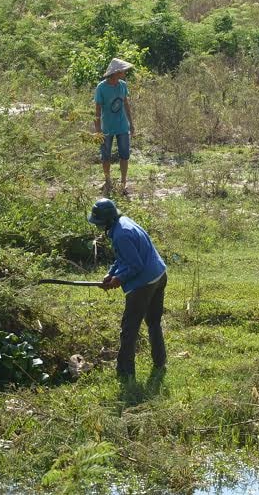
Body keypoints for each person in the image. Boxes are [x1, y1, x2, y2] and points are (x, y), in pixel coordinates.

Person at [88, 198, 167, 382]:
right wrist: (111, 274)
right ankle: (160, 362)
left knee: (129, 329)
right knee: (154, 322)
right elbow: (123, 258)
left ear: (106, 221)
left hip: (145, 282)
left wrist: (119, 279)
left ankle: (125, 373)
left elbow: (135, 265)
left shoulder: (121, 234)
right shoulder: (123, 224)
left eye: (99, 223)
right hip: (159, 274)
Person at [94, 58, 135, 195]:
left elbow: (126, 104)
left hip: (122, 126)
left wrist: (131, 123)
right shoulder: (102, 87)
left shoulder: (122, 85)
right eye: (122, 71)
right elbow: (98, 110)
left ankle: (123, 182)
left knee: (124, 155)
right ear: (116, 72)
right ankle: (108, 181)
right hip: (107, 127)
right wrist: (98, 129)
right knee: (106, 156)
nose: (124, 73)